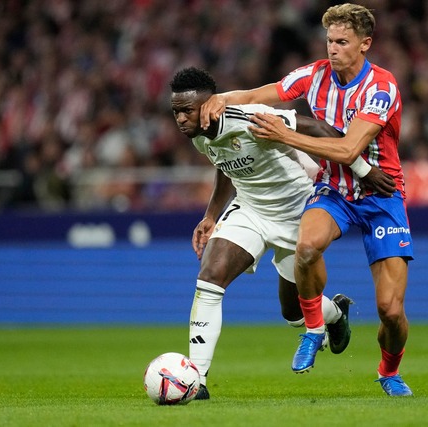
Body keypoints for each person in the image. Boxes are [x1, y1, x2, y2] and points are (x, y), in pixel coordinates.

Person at [199, 3, 415, 396]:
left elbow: (349, 150)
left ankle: (388, 371)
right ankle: (314, 329)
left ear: (365, 44)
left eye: (342, 41)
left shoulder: (381, 88)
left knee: (391, 311)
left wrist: (284, 134)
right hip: (334, 190)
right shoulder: (313, 75)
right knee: (306, 246)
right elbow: (255, 93)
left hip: (382, 196)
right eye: (329, 40)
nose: (333, 49)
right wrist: (218, 99)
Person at [169, 66, 396, 400]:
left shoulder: (253, 118)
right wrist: (211, 215)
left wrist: (362, 169)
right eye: (176, 111)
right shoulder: (199, 134)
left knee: (294, 314)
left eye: (187, 110)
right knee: (210, 276)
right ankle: (196, 380)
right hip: (251, 210)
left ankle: (334, 314)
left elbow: (318, 127)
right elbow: (225, 164)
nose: (180, 119)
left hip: (295, 212)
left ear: (209, 104)